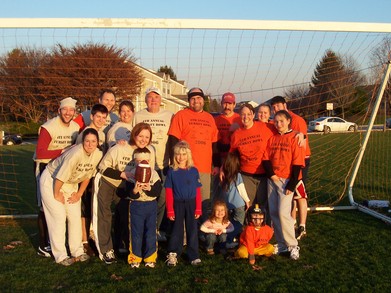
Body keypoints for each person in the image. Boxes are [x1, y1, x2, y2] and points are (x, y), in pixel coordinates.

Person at [92, 122, 155, 264]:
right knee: (105, 215)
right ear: (134, 134)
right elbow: (102, 168)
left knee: (125, 216)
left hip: (125, 186)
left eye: (147, 137)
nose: (143, 139)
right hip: (108, 182)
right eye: (141, 136)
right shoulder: (120, 147)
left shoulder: (148, 151)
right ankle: (105, 250)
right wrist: (122, 174)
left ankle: (120, 244)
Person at [40, 128, 103, 266]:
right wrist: (57, 195)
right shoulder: (75, 153)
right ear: (82, 141)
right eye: (87, 141)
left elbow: (87, 175)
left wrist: (79, 194)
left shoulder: (97, 154)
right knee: (59, 216)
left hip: (70, 184)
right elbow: (60, 176)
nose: (90, 144)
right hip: (52, 181)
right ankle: (61, 255)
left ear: (98, 142)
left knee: (75, 216)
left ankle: (77, 251)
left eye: (93, 141)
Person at [33, 97, 80, 257]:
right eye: (65, 109)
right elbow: (40, 152)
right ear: (59, 110)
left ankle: (60, 241)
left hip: (63, 169)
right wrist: (62, 151)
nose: (68, 113)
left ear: (75, 112)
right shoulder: (48, 127)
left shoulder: (75, 127)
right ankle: (43, 244)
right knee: (44, 207)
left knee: (60, 207)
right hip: (45, 166)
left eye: (71, 110)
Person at [167, 87, 218, 218]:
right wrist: (174, 163)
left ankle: (200, 234)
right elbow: (173, 140)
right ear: (189, 101)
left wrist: (216, 164)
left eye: (199, 98)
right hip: (185, 167)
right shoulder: (181, 115)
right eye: (193, 98)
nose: (196, 101)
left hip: (204, 168)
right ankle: (181, 232)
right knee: (184, 201)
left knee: (203, 203)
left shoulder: (210, 118)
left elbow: (214, 143)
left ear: (203, 100)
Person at [262, 110, 305, 260]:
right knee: (273, 212)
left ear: (288, 121)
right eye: (276, 121)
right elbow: (266, 158)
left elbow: (298, 162)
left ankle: (293, 245)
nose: (278, 124)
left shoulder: (295, 138)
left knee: (283, 213)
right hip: (272, 180)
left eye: (282, 121)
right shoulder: (272, 137)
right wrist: (271, 175)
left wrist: (292, 184)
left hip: (287, 180)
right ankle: (281, 245)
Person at [133, 87, 174, 241]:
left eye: (156, 97)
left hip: (163, 165)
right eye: (150, 97)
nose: (153, 100)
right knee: (144, 198)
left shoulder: (169, 116)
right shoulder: (138, 116)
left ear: (161, 100)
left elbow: (173, 139)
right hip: (143, 166)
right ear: (145, 100)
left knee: (162, 198)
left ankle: (157, 229)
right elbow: (132, 137)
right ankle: (142, 229)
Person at [270, 96, 310, 240]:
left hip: (299, 161)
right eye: (273, 108)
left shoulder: (297, 120)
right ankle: (291, 222)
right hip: (283, 163)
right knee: (289, 197)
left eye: (278, 106)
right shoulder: (275, 121)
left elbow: (302, 141)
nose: (276, 110)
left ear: (285, 105)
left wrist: (300, 135)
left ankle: (302, 225)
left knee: (299, 193)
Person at [119, 147, 162, 269]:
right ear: (135, 161)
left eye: (145, 160)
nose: (142, 163)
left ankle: (150, 257)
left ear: (149, 161)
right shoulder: (132, 174)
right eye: (139, 161)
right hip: (136, 205)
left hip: (150, 205)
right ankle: (135, 257)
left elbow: (157, 191)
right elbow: (128, 193)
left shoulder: (154, 174)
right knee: (136, 232)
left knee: (151, 232)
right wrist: (135, 190)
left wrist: (150, 189)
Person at [75, 103, 108, 255]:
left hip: (95, 176)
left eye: (103, 117)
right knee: (84, 209)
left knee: (92, 207)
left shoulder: (102, 134)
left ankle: (91, 236)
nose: (100, 120)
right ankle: (84, 241)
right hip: (84, 176)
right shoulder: (86, 133)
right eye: (98, 117)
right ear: (92, 116)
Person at [229, 103, 275, 207]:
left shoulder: (266, 127)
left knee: (264, 207)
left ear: (253, 115)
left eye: (248, 114)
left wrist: (299, 134)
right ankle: (247, 224)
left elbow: (284, 130)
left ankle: (265, 224)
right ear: (239, 116)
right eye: (243, 114)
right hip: (246, 175)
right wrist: (223, 168)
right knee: (249, 206)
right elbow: (231, 155)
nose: (246, 117)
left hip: (264, 174)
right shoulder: (237, 134)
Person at [165, 141, 202, 266]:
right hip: (177, 203)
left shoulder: (194, 171)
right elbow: (169, 192)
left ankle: (193, 255)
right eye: (178, 154)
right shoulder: (171, 171)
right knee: (177, 229)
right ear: (175, 156)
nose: (181, 157)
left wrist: (198, 208)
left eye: (184, 154)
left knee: (192, 229)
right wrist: (170, 209)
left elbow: (198, 190)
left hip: (191, 203)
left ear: (188, 155)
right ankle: (173, 253)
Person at [219, 150, 251, 248]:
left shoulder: (223, 177)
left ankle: (229, 238)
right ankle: (229, 240)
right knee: (238, 224)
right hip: (238, 205)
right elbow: (241, 189)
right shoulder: (237, 176)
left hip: (228, 205)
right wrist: (247, 201)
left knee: (230, 223)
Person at [214, 92, 241, 163]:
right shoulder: (216, 120)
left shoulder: (240, 119)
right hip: (220, 157)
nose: (227, 107)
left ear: (234, 104)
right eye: (225, 103)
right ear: (221, 104)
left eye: (229, 104)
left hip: (235, 158)